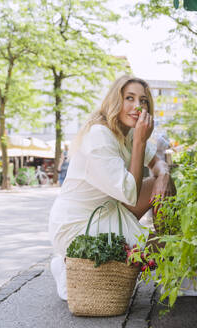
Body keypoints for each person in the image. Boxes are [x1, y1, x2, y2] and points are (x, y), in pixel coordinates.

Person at [48, 75, 176, 300]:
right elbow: (130, 194)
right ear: (115, 101)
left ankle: (172, 270)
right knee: (165, 250)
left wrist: (164, 175)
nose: (137, 106)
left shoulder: (125, 134)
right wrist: (140, 142)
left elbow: (158, 164)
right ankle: (69, 265)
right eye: (129, 98)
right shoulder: (100, 135)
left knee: (163, 184)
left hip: (108, 212)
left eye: (143, 101)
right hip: (77, 224)